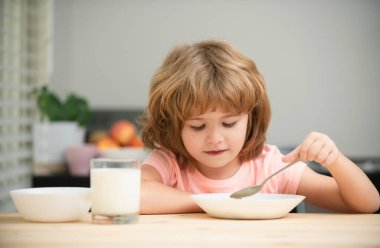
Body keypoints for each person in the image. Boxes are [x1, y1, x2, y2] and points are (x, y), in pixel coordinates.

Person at [139, 39, 380, 214]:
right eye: (198, 126)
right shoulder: (169, 162)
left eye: (229, 123)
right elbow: (135, 195)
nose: (215, 138)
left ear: (251, 118)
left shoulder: (270, 166)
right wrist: (211, 202)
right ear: (173, 124)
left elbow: (366, 204)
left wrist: (335, 160)